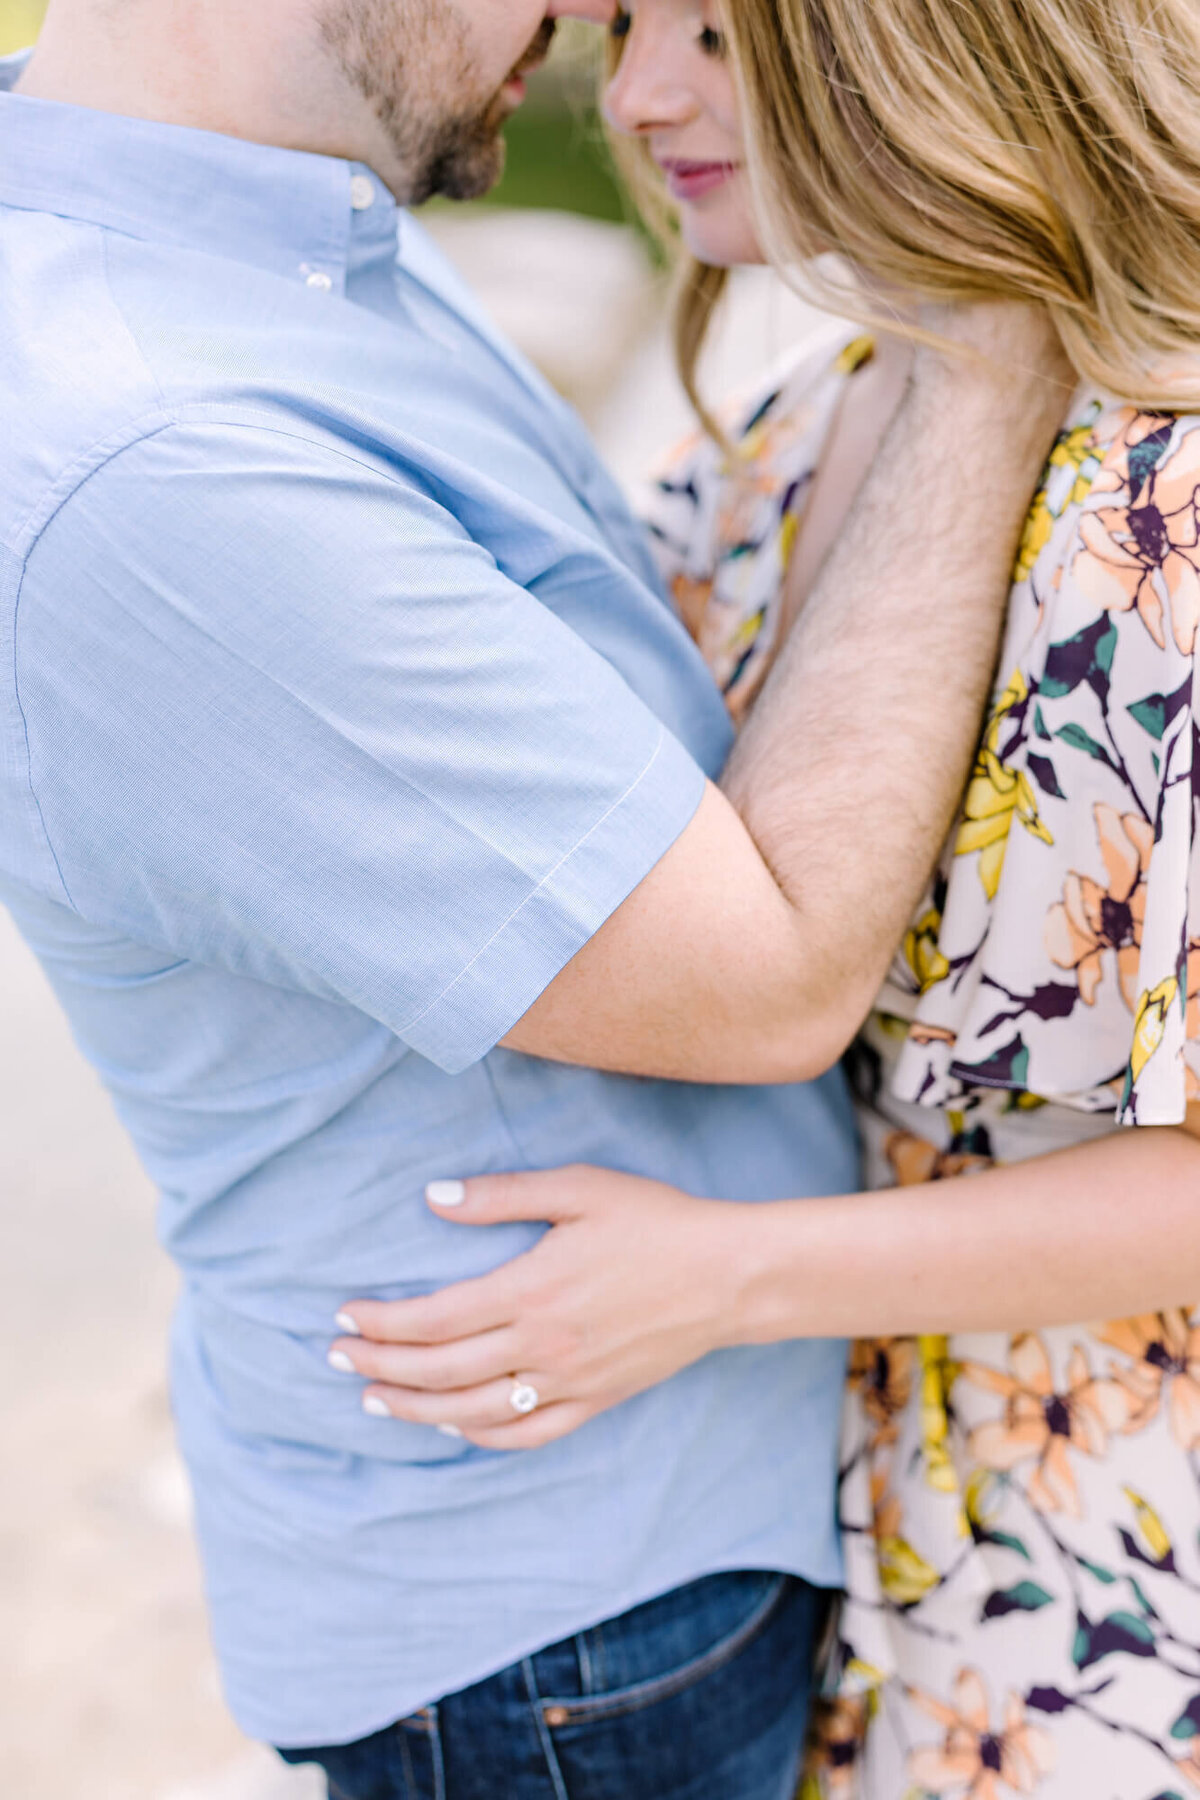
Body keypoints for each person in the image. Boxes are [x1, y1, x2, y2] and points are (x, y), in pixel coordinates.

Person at [0, 1, 1069, 1794]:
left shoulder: (283, 235)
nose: (593, 38)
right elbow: (767, 980)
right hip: (571, 1604)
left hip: (662, 1504)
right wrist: (982, 367)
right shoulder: (152, 456)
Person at [339, 3, 1200, 1796]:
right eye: (628, 24)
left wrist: (728, 1278)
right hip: (850, 1517)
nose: (639, 96)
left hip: (1112, 1556)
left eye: (726, 38)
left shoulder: (1163, 500)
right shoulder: (786, 435)